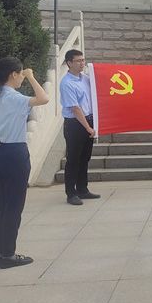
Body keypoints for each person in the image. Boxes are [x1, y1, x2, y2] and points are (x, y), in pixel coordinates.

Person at [0, 57, 50, 268]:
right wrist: (31, 77)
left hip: (1, 152)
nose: (22, 77)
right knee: (14, 206)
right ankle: (8, 255)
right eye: (21, 74)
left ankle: (2, 252)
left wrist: (0, 151)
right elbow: (44, 98)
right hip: (15, 153)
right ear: (13, 74)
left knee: (1, 205)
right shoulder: (14, 97)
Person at [60, 49, 99, 205]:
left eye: (83, 60)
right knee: (73, 159)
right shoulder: (66, 83)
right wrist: (88, 128)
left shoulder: (86, 79)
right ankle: (71, 193)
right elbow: (75, 109)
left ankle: (83, 189)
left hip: (89, 120)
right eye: (78, 61)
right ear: (69, 63)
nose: (82, 63)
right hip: (75, 124)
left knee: (85, 158)